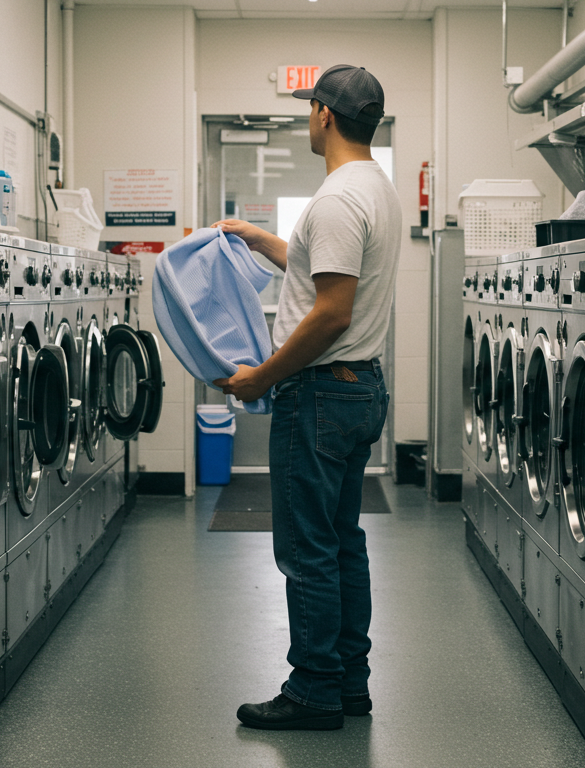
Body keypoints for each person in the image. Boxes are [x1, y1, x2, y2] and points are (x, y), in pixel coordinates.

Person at [211, 64, 401, 731]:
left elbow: (331, 312)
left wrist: (261, 376)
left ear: (323, 114)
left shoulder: (337, 199)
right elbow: (326, 264)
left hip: (320, 393)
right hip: (359, 391)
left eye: (308, 108)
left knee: (307, 548)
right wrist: (262, 241)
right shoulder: (374, 188)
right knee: (341, 540)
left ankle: (315, 688)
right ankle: (349, 681)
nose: (305, 119)